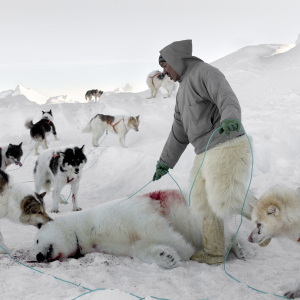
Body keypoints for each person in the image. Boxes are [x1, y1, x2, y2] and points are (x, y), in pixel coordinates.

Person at [152, 39, 251, 265]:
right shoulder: (182, 91)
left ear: (177, 60)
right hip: (205, 150)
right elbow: (179, 131)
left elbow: (226, 97)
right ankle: (214, 252)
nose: (163, 71)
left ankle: (278, 217)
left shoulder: (205, 72)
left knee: (226, 197)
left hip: (226, 142)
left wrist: (231, 118)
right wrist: (164, 162)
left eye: (165, 65)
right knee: (202, 200)